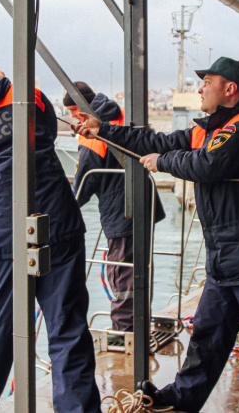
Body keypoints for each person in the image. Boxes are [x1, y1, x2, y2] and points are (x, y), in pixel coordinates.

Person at [73, 57, 239, 413]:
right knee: (207, 340)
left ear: (230, 89)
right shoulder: (209, 128)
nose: (199, 87)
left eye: (207, 81)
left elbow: (208, 165)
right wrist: (104, 129)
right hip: (224, 259)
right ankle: (179, 403)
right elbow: (155, 139)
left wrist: (162, 162)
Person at [0, 51, 101, 413]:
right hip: (58, 218)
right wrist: (0, 79)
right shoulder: (27, 93)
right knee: (68, 329)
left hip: (3, 232)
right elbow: (45, 127)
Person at [64, 82, 165, 342]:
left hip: (122, 211)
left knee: (122, 272)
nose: (75, 117)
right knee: (138, 269)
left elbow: (87, 176)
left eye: (75, 110)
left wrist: (67, 207)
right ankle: (137, 325)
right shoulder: (118, 114)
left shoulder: (94, 127)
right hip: (140, 204)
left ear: (84, 106)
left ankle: (124, 333)